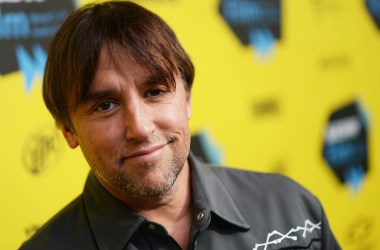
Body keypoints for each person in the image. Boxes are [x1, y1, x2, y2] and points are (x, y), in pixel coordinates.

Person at [20, 1, 341, 249]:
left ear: (186, 98)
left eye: (155, 92)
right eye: (106, 105)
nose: (141, 128)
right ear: (68, 130)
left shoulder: (292, 209)